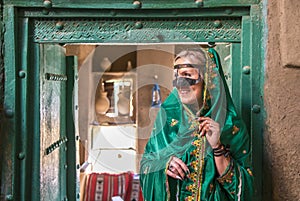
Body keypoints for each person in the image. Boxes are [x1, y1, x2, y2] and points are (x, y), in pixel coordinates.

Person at [140, 47, 254, 201]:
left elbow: (245, 191)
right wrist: (164, 165)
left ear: (209, 80)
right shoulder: (167, 117)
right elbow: (147, 164)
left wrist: (217, 148)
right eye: (176, 77)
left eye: (187, 75)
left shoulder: (230, 124)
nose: (180, 84)